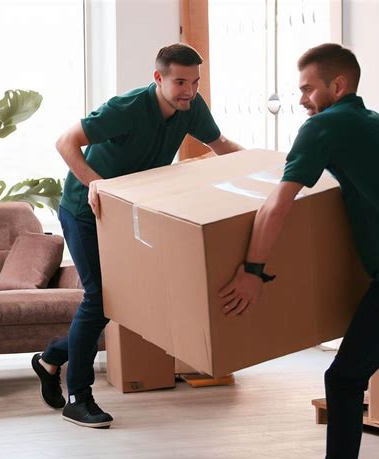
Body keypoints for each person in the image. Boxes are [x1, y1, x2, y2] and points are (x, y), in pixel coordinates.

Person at [32, 43, 244, 429]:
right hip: (85, 210)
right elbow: (65, 141)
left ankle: (51, 358)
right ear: (158, 78)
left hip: (127, 213)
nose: (189, 91)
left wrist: (267, 173)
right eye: (180, 82)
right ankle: (79, 397)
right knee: (99, 298)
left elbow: (222, 147)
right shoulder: (126, 109)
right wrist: (96, 185)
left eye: (195, 82)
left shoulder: (191, 107)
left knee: (118, 303)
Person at [219, 43, 379, 459]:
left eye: (307, 89)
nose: (301, 100)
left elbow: (276, 205)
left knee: (343, 378)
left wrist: (252, 272)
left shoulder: (324, 127)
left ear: (337, 86)